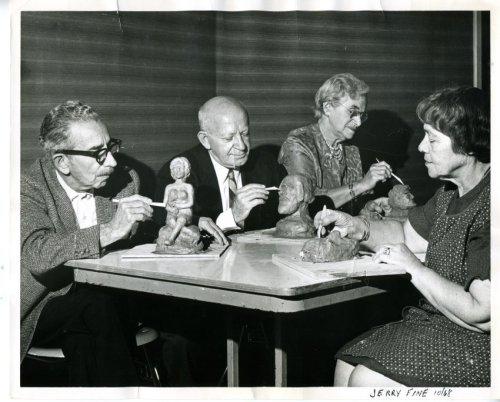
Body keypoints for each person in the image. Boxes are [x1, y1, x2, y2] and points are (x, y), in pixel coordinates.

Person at [313, 87, 490, 387]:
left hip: (483, 346)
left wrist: (416, 269)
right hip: (441, 324)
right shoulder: (448, 195)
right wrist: (355, 226)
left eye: (432, 138)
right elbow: (405, 236)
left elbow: (483, 314)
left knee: (365, 381)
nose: (422, 147)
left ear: (469, 143)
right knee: (346, 364)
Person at [156, 95, 283, 233]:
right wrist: (232, 217)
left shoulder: (267, 165)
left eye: (245, 134)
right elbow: (169, 226)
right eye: (229, 138)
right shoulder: (180, 172)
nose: (241, 146)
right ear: (205, 140)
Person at [278, 73, 393, 214]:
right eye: (352, 112)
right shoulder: (299, 143)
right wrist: (362, 185)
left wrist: (367, 206)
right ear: (327, 108)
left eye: (361, 115)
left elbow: (350, 202)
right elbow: (307, 204)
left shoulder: (351, 149)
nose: (358, 123)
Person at [162, 157, 195, 245]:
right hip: (172, 213)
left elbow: (191, 203)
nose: (177, 170)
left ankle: (171, 239)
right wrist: (171, 209)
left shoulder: (188, 186)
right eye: (175, 168)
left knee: (181, 219)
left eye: (180, 167)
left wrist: (180, 206)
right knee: (172, 221)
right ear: (172, 171)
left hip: (185, 212)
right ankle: (188, 233)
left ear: (186, 169)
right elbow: (164, 204)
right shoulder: (169, 187)